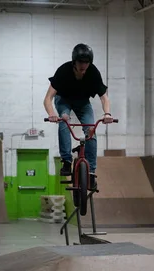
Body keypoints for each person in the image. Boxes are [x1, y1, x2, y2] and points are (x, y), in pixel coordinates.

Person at [43, 43, 113, 190]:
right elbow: (48, 98)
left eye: (86, 63)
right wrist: (52, 114)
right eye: (81, 62)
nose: (84, 66)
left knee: (91, 130)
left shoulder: (93, 72)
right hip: (64, 100)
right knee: (64, 120)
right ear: (74, 62)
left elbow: (104, 98)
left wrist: (107, 113)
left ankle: (92, 172)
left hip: (82, 103)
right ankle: (67, 161)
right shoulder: (63, 71)